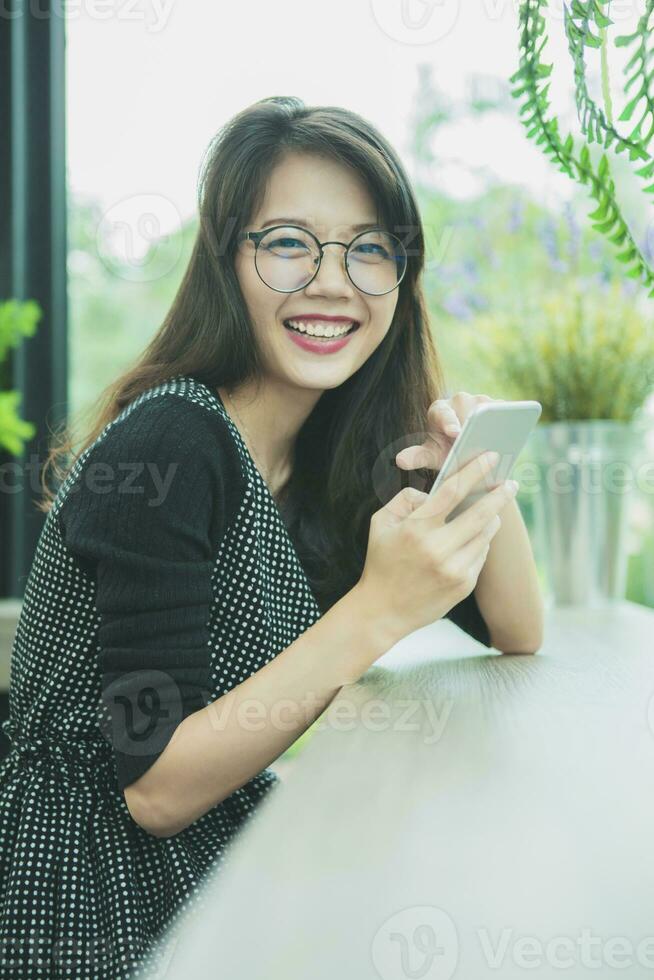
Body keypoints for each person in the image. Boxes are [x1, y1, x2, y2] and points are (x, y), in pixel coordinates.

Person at [0, 95, 514, 979]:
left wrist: (473, 465)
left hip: (204, 848)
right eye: (286, 243)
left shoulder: (327, 464)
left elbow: (518, 629)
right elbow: (154, 787)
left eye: (368, 248)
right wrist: (376, 610)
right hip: (74, 882)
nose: (331, 279)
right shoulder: (171, 444)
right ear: (224, 261)